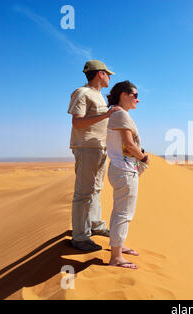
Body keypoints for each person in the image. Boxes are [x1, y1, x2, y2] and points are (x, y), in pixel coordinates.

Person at [67, 60, 121, 251]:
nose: (110, 78)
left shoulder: (98, 96)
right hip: (86, 147)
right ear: (100, 74)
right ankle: (80, 237)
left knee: (96, 189)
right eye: (108, 74)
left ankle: (95, 224)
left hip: (100, 148)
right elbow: (77, 123)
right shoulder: (82, 93)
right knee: (83, 194)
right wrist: (106, 115)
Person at [106, 80, 149, 269]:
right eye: (135, 95)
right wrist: (144, 158)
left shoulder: (116, 113)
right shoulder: (121, 114)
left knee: (120, 211)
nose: (138, 100)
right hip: (124, 170)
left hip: (119, 168)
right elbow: (129, 145)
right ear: (123, 94)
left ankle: (118, 246)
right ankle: (116, 257)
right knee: (124, 213)